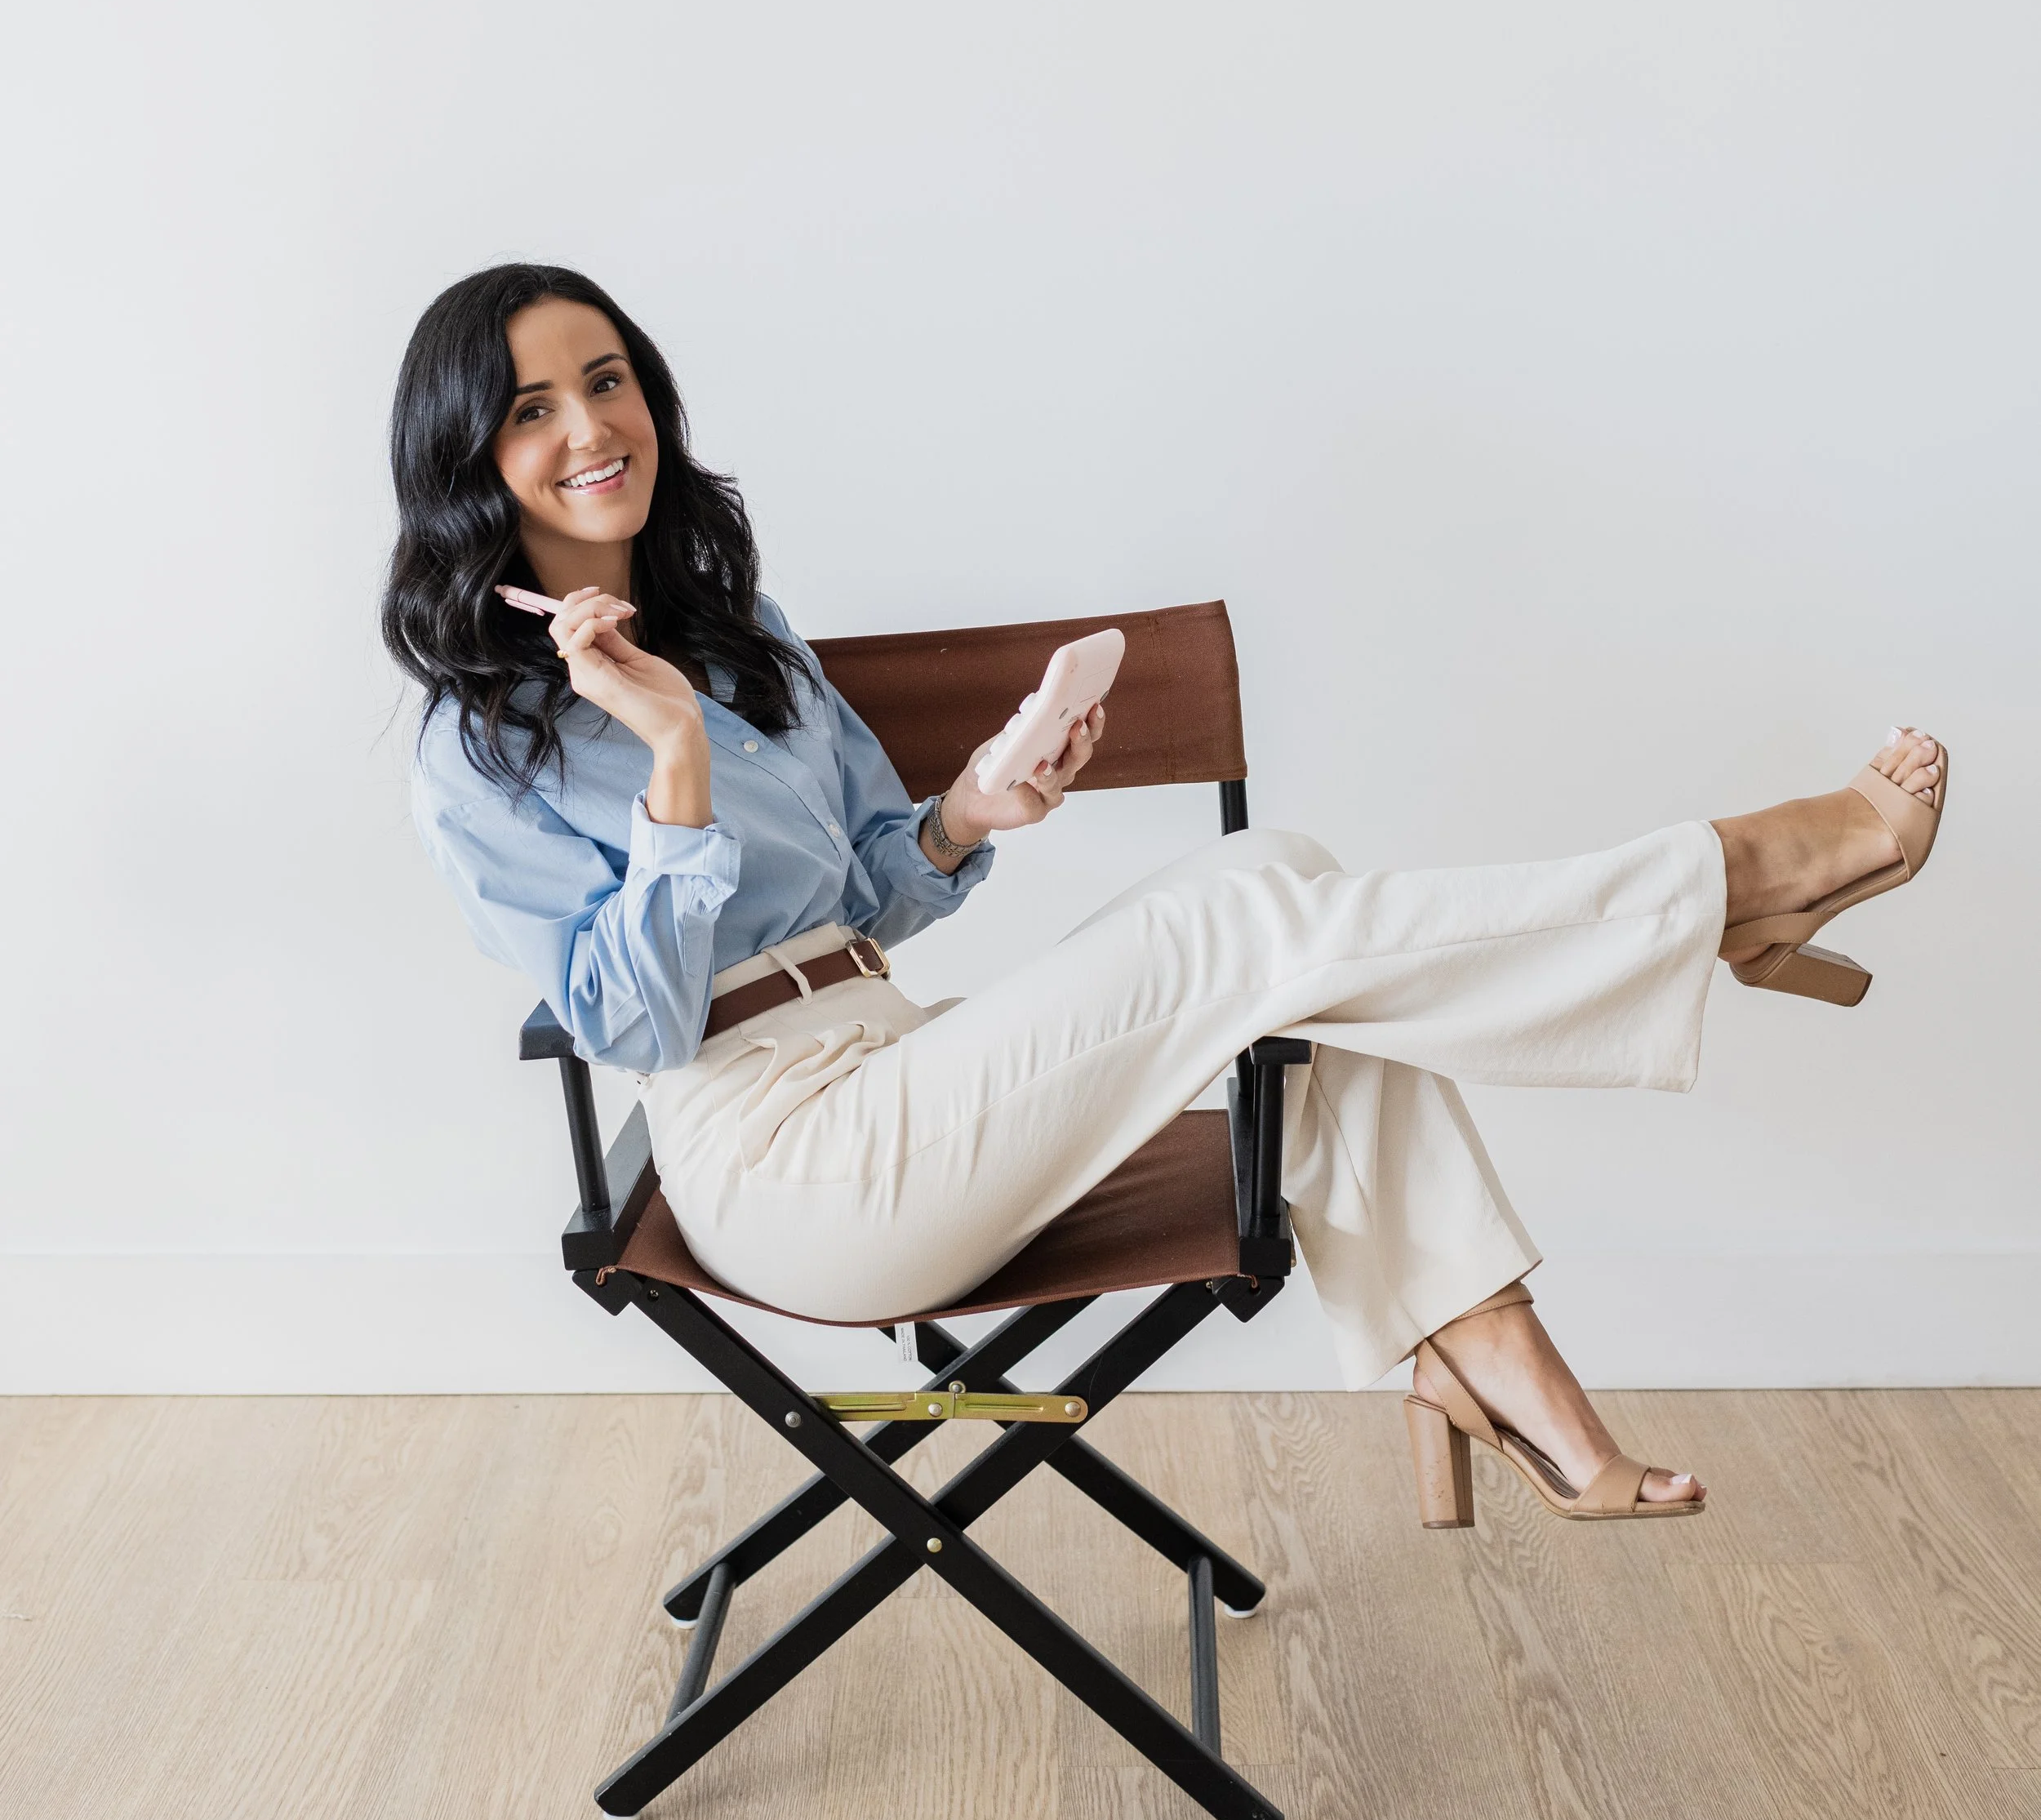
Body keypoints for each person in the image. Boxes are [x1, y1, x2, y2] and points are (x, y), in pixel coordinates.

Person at [385, 262, 1947, 1526]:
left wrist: (972, 811)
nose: (594, 424)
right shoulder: (480, 746)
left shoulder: (745, 632)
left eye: (609, 378)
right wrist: (667, 760)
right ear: (470, 461)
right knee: (1249, 924)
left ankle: (1486, 1352)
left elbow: (875, 892)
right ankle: (1737, 881)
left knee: (1276, 886)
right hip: (785, 1172)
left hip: (901, 1060)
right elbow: (630, 1025)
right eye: (534, 407)